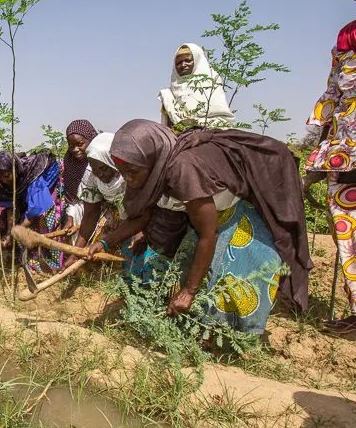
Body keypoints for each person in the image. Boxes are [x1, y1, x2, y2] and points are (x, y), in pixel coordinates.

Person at [85, 120, 310, 335]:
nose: (128, 179)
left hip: (234, 214)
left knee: (232, 282)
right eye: (123, 172)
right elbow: (142, 216)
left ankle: (234, 340)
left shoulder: (182, 169)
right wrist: (105, 241)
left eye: (132, 172)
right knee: (195, 273)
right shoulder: (148, 170)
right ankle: (200, 332)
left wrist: (188, 291)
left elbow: (208, 233)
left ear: (151, 159)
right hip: (207, 218)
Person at [304, 0, 356, 333]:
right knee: (348, 234)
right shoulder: (349, 37)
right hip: (347, 153)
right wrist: (319, 151)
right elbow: (333, 91)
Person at [63, 132, 126, 270]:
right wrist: (75, 254)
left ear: (112, 160)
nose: (99, 173)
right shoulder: (90, 174)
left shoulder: (130, 170)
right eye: (95, 169)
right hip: (115, 215)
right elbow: (90, 215)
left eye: (103, 168)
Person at [0, 150, 65, 273]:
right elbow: (11, 208)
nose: (4, 180)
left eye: (7, 176)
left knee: (47, 221)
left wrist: (18, 230)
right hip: (31, 200)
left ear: (15, 170)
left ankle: (55, 263)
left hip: (47, 193)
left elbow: (35, 210)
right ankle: (33, 258)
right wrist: (9, 232)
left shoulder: (33, 178)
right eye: (0, 176)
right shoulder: (3, 184)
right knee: (21, 225)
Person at [159, 43, 234, 131]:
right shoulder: (168, 94)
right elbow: (167, 127)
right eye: (179, 62)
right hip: (178, 137)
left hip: (211, 133)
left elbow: (223, 120)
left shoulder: (211, 81)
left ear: (197, 61)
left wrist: (194, 123)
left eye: (187, 60)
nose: (183, 65)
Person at [62, 120, 98, 234]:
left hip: (103, 217)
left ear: (91, 140)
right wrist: (70, 218)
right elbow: (72, 197)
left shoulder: (101, 163)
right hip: (82, 217)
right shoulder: (70, 162)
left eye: (80, 144)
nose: (75, 149)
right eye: (71, 146)